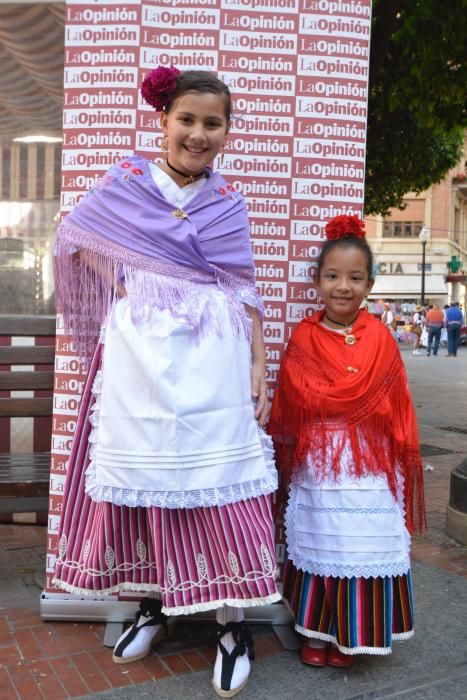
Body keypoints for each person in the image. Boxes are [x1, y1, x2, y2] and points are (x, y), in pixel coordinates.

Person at [52, 67, 280, 698]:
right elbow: (74, 240)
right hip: (138, 361)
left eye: (213, 123)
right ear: (164, 121)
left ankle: (233, 626)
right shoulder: (126, 185)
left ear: (228, 131)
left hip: (216, 361)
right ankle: (153, 605)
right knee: (146, 486)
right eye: (187, 120)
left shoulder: (228, 204)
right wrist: (124, 276)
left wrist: (262, 362)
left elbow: (243, 290)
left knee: (218, 485)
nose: (198, 134)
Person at [268, 215, 425, 668]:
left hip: (370, 461)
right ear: (316, 281)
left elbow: (396, 400)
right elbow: (296, 397)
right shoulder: (304, 336)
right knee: (321, 539)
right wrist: (339, 408)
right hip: (320, 461)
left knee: (362, 541)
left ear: (370, 283)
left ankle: (352, 635)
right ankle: (315, 631)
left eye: (355, 278)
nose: (343, 287)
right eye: (333, 276)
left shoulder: (382, 337)